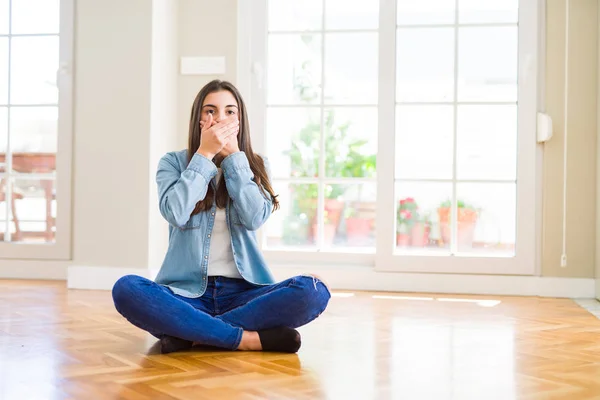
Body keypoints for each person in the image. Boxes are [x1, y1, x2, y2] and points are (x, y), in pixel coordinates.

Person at [111, 80, 331, 354]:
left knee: (314, 290)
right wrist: (204, 154)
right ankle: (246, 339)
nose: (220, 119)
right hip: (186, 294)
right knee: (127, 289)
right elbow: (175, 212)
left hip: (245, 294)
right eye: (211, 111)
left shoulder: (256, 164)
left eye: (230, 111)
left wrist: (235, 160)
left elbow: (254, 218)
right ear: (199, 119)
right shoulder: (173, 163)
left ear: (240, 120)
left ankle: (190, 334)